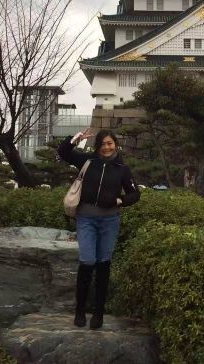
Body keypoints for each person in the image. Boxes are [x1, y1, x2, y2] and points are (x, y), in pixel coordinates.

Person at [58, 128, 140, 329]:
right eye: (103, 144)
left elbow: (135, 194)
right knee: (87, 261)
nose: (106, 147)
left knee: (103, 264)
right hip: (86, 218)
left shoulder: (122, 168)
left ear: (116, 145)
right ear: (98, 146)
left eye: (110, 143)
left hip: (109, 221)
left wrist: (120, 200)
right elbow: (63, 153)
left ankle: (98, 313)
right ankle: (79, 311)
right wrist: (75, 139)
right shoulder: (87, 161)